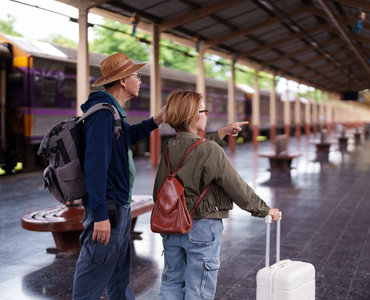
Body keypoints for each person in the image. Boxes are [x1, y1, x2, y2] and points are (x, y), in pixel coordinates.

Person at [153, 90, 281, 299]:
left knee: (171, 283)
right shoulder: (210, 150)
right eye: (204, 110)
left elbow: (192, 151)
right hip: (202, 228)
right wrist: (264, 210)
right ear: (194, 116)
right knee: (199, 289)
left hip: (172, 225)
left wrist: (221, 133)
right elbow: (236, 187)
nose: (207, 114)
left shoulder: (170, 146)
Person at [73, 52, 165, 300]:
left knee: (118, 272)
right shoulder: (103, 114)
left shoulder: (113, 112)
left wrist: (157, 120)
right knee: (95, 268)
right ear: (123, 80)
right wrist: (100, 215)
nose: (140, 81)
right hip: (109, 207)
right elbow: (95, 168)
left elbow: (128, 137)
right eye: (137, 76)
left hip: (120, 204)